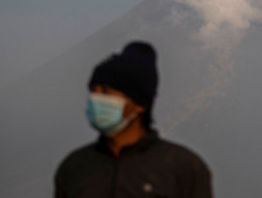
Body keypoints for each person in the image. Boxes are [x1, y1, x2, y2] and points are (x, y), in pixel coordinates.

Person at [54, 41, 213, 198]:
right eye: (93, 92)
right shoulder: (74, 167)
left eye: (106, 92)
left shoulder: (182, 168)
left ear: (139, 104)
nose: (96, 99)